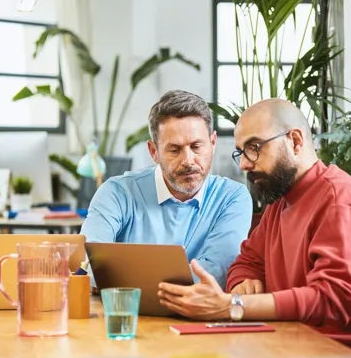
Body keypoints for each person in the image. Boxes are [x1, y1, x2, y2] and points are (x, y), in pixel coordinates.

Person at [157, 98, 351, 355]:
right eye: (242, 151)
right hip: (298, 349)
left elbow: (330, 301)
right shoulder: (280, 201)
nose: (245, 163)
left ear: (295, 141)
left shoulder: (342, 202)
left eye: (255, 147)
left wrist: (234, 306)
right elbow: (247, 261)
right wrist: (243, 283)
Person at [80, 90, 253, 288]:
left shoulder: (232, 197)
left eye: (196, 146)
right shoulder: (117, 193)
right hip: (127, 314)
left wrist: (127, 278)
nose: (188, 161)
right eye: (174, 150)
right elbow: (88, 263)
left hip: (197, 317)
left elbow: (216, 272)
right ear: (154, 152)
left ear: (212, 143)